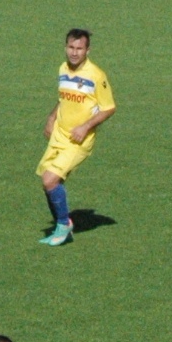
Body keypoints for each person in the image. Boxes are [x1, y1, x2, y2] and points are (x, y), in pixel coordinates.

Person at [36, 28, 116, 246]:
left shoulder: (96, 76)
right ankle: (62, 225)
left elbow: (109, 108)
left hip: (79, 139)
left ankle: (64, 225)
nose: (74, 52)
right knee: (48, 181)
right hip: (60, 135)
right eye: (71, 47)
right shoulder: (63, 69)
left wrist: (85, 126)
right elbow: (64, 98)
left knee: (49, 180)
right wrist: (51, 118)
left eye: (79, 48)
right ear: (65, 47)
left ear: (87, 50)